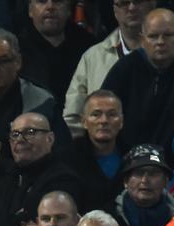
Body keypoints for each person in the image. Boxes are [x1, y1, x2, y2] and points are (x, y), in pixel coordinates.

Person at [102, 9, 174, 166]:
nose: (160, 42)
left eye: (168, 35)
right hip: (131, 162)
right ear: (142, 40)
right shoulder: (125, 69)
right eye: (153, 36)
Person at [63, 0, 154, 136]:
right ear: (115, 10)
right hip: (100, 150)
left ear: (152, 5)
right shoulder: (93, 57)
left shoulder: (167, 55)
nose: (131, 8)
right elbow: (73, 116)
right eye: (124, 3)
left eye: (138, 1)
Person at [17, 0, 93, 111]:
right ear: (30, 10)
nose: (50, 7)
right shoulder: (15, 50)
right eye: (42, 1)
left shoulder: (89, 47)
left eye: (57, 1)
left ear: (68, 9)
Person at [67, 90, 127, 213]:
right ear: (84, 122)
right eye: (96, 114)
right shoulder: (67, 159)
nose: (104, 120)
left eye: (111, 114)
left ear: (121, 122)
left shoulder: (132, 157)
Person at [109, 144, 174, 226]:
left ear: (166, 181)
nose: (145, 180)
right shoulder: (108, 217)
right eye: (138, 173)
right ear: (126, 181)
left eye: (153, 173)